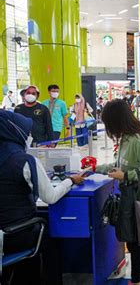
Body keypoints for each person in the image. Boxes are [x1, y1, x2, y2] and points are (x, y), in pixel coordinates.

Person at [0, 111, 85, 284]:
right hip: (15, 234)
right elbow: (51, 197)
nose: (30, 135)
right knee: (51, 240)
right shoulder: (24, 161)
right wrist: (70, 180)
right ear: (16, 132)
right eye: (28, 131)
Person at [95, 99, 140, 285]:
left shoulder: (138, 141)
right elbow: (119, 165)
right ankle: (136, 279)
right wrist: (96, 168)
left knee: (136, 244)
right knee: (134, 242)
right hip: (132, 195)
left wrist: (126, 176)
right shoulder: (127, 138)